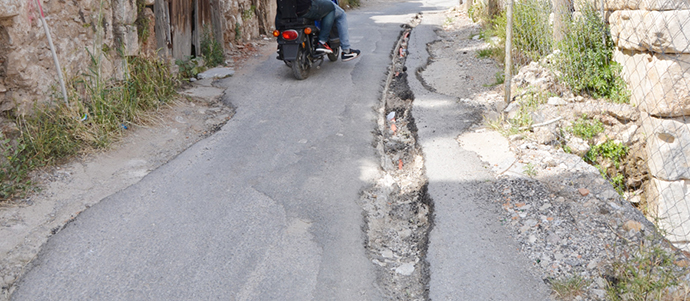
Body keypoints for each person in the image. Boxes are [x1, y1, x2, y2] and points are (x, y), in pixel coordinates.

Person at [280, 0, 361, 61]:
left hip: (285, 11)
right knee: (335, 10)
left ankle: (281, 45)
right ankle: (343, 49)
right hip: (304, 8)